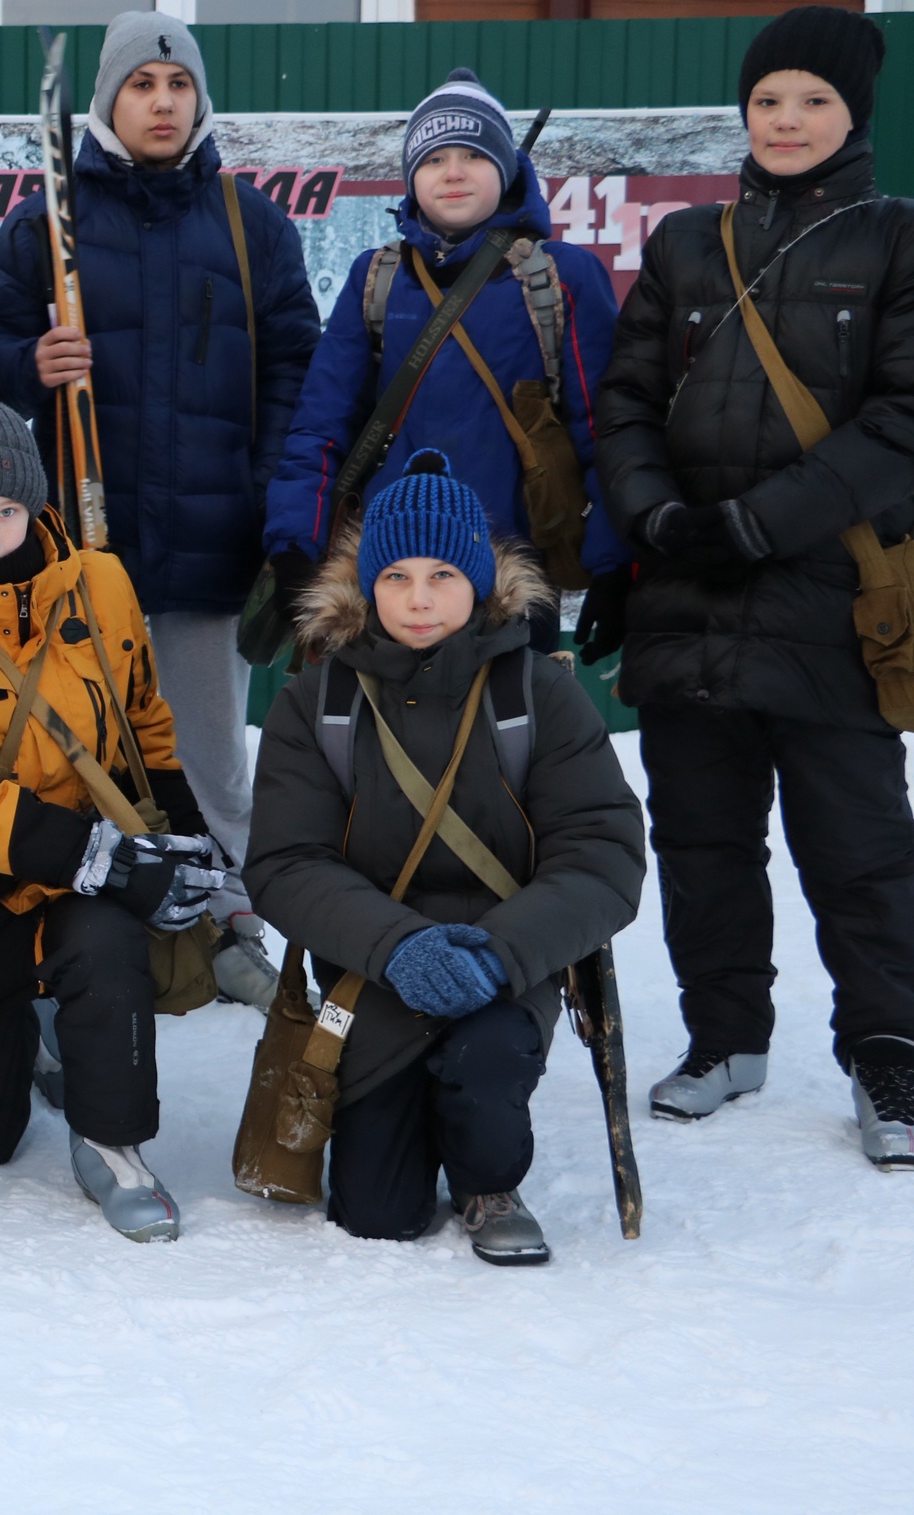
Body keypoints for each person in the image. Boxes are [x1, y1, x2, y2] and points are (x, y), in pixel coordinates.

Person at [595, 5, 914, 1165]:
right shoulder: (688, 247)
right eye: (768, 101)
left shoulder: (896, 241)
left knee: (859, 849)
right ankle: (722, 1039)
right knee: (700, 838)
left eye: (812, 102)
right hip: (687, 596)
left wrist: (757, 522)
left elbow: (901, 421)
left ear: (852, 116)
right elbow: (623, 400)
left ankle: (889, 1059)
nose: (786, 121)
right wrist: (653, 514)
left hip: (831, 601)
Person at [0, 10, 319, 964]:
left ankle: (231, 917)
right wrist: (33, 357)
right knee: (75, 742)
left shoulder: (253, 226)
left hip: (211, 541)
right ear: (111, 102)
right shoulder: (50, 220)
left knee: (209, 752)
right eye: (142, 85)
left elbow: (295, 368)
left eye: (179, 85)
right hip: (82, 538)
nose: (162, 102)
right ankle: (94, 919)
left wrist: (258, 488)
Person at [248, 456, 645, 1261]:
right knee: (376, 1213)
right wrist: (400, 946)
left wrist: (500, 957)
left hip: (508, 961)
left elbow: (603, 855)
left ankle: (488, 1181)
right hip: (374, 963)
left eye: (441, 573)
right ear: (365, 584)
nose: (419, 598)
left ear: (479, 579)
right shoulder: (316, 700)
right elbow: (286, 862)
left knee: (486, 1058)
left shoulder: (539, 693)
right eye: (394, 575)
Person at [0, 371, 221, 1242]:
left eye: (5, 512)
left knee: (103, 938)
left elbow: (145, 724)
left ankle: (115, 1141)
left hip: (84, 885)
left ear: (35, 505)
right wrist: (96, 854)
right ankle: (30, 1032)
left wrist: (189, 838)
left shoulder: (99, 583)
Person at [265, 68, 627, 656]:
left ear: (506, 169)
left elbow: (606, 432)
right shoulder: (375, 278)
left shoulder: (561, 278)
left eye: (472, 155)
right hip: (390, 579)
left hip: (511, 579)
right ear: (412, 178)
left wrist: (615, 566)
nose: (453, 172)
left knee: (507, 743)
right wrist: (294, 547)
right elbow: (320, 426)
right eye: (433, 159)